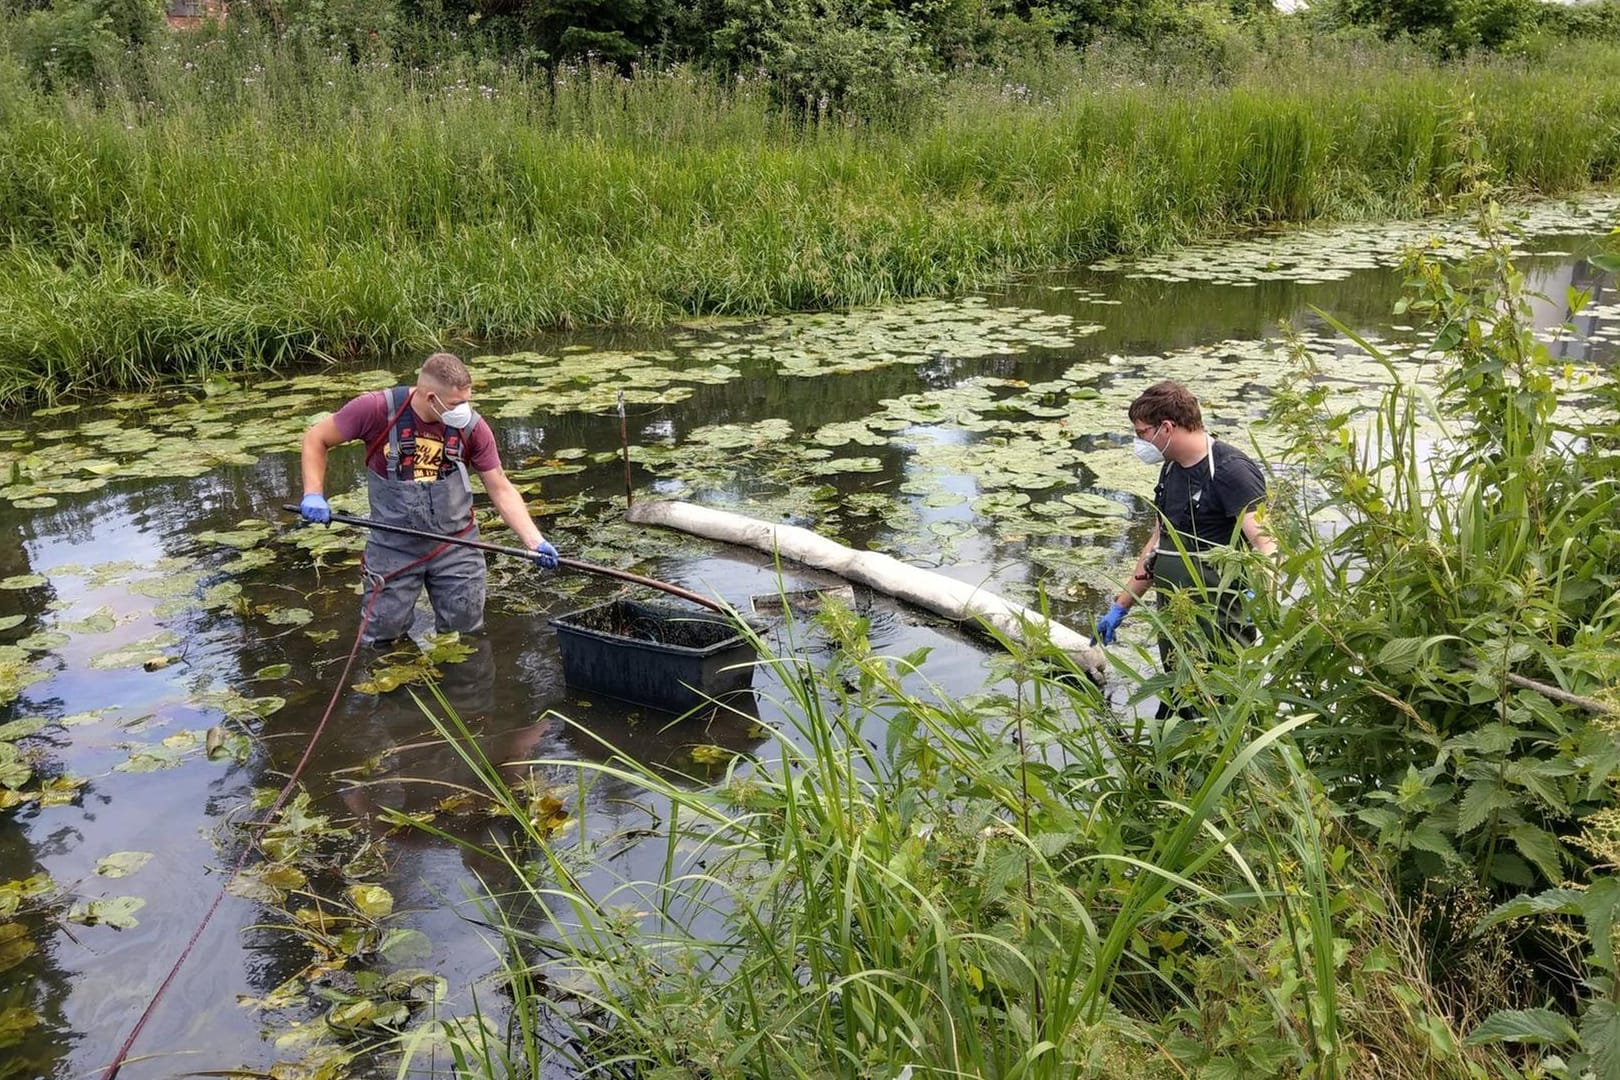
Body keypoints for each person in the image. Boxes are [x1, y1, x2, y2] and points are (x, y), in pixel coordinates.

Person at [299, 352, 560, 644]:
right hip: (392, 544)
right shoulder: (375, 409)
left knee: (466, 637)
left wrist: (534, 541)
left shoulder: (472, 427)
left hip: (456, 545)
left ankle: (463, 687)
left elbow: (499, 486)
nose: (464, 409)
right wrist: (313, 493)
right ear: (430, 396)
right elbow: (316, 438)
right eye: (455, 404)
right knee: (381, 639)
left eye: (467, 401)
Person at [1095, 380, 1276, 660]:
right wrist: (1121, 605)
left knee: (1220, 697)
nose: (1139, 443)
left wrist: (1260, 600)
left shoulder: (1231, 470)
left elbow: (1268, 547)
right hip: (1175, 619)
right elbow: (1159, 542)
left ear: (1166, 428)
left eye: (1142, 433)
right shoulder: (1170, 470)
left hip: (1219, 621)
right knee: (1179, 697)